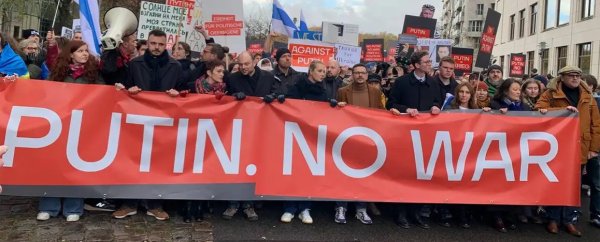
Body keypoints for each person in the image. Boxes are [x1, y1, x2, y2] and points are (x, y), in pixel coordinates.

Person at [112, 29, 183, 221]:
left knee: (158, 163)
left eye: (160, 44)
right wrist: (128, 90)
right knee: (132, 162)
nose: (156, 48)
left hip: (163, 123)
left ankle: (155, 204)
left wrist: (179, 93)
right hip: (137, 123)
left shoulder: (175, 66)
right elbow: (123, 87)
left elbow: (186, 91)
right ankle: (129, 203)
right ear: (148, 43)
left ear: (166, 44)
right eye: (153, 44)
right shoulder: (135, 64)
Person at [39, 40, 103, 222]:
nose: (85, 54)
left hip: (82, 128)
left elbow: (103, 96)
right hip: (59, 126)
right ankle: (49, 207)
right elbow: (45, 95)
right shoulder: (58, 74)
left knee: (76, 168)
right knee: (54, 167)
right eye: (80, 51)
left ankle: (73, 207)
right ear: (70, 54)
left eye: (86, 51)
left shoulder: (93, 75)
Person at [536, 66, 600, 237]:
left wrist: (594, 148)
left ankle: (569, 220)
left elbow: (595, 123)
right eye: (571, 75)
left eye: (578, 75)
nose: (575, 78)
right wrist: (562, 111)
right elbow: (539, 110)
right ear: (562, 77)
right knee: (555, 183)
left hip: (580, 146)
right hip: (557, 146)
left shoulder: (587, 96)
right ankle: (553, 219)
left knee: (574, 185)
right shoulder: (550, 93)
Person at [222, 51, 281, 221]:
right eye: (240, 64)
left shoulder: (268, 77)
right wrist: (233, 97)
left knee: (253, 166)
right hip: (238, 129)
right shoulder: (232, 79)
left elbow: (280, 95)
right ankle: (232, 203)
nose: (243, 67)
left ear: (254, 63)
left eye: (246, 64)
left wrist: (274, 97)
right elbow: (225, 99)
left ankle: (249, 204)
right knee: (235, 166)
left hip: (260, 129)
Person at [387, 51, 441, 229]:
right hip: (404, 134)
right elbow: (391, 103)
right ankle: (400, 213)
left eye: (429, 61)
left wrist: (436, 106)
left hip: (425, 136)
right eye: (426, 61)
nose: (429, 64)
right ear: (417, 65)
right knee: (404, 173)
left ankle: (415, 212)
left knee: (421, 175)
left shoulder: (432, 82)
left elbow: (437, 101)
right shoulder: (402, 82)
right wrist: (406, 109)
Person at [280, 60, 333, 224]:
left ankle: (305, 208)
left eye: (324, 71)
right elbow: (287, 105)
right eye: (319, 70)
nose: (323, 74)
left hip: (312, 138)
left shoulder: (324, 92)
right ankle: (289, 208)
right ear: (311, 71)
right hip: (295, 135)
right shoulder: (296, 87)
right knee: (293, 171)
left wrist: (334, 106)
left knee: (308, 172)